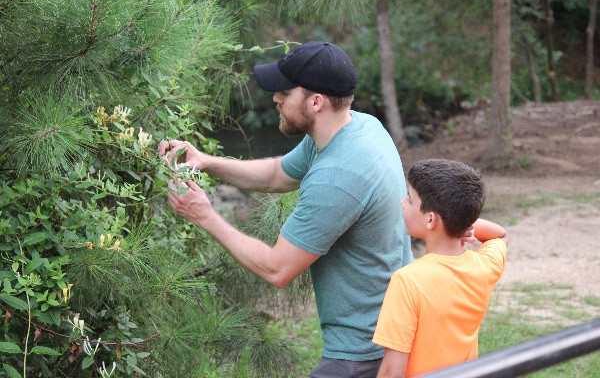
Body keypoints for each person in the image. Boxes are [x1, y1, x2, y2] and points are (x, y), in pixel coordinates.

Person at [159, 41, 413, 377]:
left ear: (316, 102)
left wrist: (205, 215)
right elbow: (277, 175)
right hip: (389, 327)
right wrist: (205, 162)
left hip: (365, 350)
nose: (275, 97)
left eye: (285, 91)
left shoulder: (339, 175)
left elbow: (277, 269)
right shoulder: (357, 127)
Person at [372, 158, 509, 378]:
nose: (402, 202)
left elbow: (391, 372)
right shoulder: (484, 266)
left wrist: (463, 224)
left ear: (430, 219)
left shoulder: (408, 281)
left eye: (410, 199)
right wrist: (464, 223)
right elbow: (501, 235)